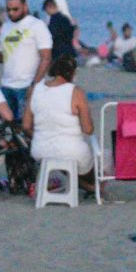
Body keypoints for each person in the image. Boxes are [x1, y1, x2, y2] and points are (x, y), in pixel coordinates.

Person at [23, 50, 95, 189]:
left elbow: (26, 126)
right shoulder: (76, 92)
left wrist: (41, 136)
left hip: (40, 149)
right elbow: (88, 129)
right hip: (71, 151)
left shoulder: (35, 90)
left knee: (63, 158)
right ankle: (91, 186)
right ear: (72, 73)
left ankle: (81, 184)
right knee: (92, 171)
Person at [0, 0, 52, 120]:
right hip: (7, 85)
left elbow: (46, 57)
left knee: (27, 127)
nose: (11, 13)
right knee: (9, 129)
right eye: (8, 9)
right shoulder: (5, 26)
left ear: (25, 6)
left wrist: (35, 85)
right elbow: (5, 57)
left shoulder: (37, 25)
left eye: (15, 9)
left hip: (27, 85)